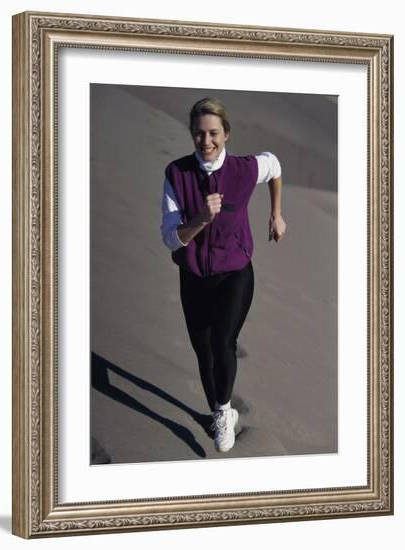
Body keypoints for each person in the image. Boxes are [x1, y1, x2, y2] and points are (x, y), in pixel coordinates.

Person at [160, 97, 286, 453]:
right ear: (192, 135)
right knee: (203, 351)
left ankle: (222, 412)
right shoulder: (176, 174)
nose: (206, 141)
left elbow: (274, 165)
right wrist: (199, 219)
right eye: (199, 133)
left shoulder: (244, 170)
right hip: (194, 275)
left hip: (235, 272)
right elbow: (170, 238)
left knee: (222, 342)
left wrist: (275, 213)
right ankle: (219, 408)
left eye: (214, 133)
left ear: (226, 134)